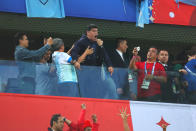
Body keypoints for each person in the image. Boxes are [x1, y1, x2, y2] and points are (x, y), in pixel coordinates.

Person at [70, 24, 114, 98]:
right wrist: (76, 61)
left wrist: (109, 65)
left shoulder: (97, 43)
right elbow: (73, 52)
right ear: (88, 32)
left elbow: (105, 55)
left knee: (95, 92)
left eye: (97, 31)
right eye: (94, 31)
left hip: (95, 73)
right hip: (83, 72)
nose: (96, 33)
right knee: (83, 92)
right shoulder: (81, 41)